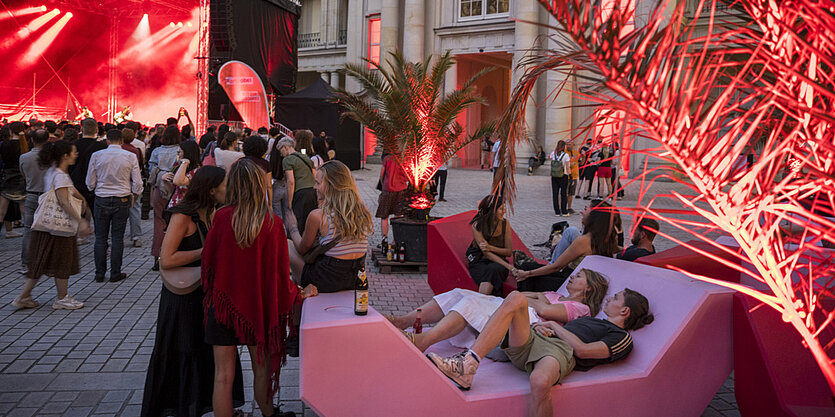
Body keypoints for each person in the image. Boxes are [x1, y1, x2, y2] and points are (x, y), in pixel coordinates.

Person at [427, 288, 654, 417]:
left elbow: (583, 351)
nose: (609, 298)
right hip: (538, 339)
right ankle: (468, 364)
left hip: (559, 352)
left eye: (615, 298)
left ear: (624, 311)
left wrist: (555, 327)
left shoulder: (622, 337)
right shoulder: (592, 320)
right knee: (515, 297)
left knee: (539, 380)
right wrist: (542, 326)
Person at [141, 166, 246, 417]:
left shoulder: (212, 212)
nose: (228, 190)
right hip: (183, 299)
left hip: (203, 295)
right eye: (224, 186)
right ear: (211, 190)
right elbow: (167, 259)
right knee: (186, 352)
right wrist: (207, 251)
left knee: (205, 354)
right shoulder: (183, 215)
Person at [201, 159, 298, 417]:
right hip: (258, 307)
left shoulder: (221, 218)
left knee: (222, 376)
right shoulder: (272, 222)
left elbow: (208, 264)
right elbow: (279, 274)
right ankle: (268, 414)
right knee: (262, 371)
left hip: (223, 306)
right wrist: (296, 293)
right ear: (259, 185)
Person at [389, 269, 608, 352]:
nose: (572, 276)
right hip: (513, 307)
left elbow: (544, 310)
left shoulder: (581, 308)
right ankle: (404, 320)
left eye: (579, 276)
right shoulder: (558, 296)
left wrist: (540, 300)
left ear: (588, 288)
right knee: (460, 293)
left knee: (470, 304)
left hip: (526, 322)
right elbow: (530, 299)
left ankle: (426, 340)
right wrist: (541, 299)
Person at [12, 140, 92, 310]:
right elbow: (63, 200)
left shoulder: (54, 171)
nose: (76, 154)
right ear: (65, 156)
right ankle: (61, 298)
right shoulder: (61, 175)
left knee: (40, 261)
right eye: (74, 152)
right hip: (60, 226)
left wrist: (81, 198)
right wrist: (81, 221)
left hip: (48, 226)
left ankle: (24, 296)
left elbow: (68, 190)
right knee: (62, 261)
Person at [286, 160, 373, 296]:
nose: (314, 187)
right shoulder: (363, 211)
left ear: (332, 186)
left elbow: (302, 249)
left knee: (287, 244)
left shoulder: (318, 216)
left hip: (325, 281)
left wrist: (292, 228)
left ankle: (299, 295)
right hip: (354, 279)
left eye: (318, 183)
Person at [514, 203, 620, 292]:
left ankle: (524, 308)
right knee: (527, 266)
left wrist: (527, 274)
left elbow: (556, 267)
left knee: (528, 277)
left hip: (570, 281)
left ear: (594, 216)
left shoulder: (584, 241)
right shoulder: (609, 239)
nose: (581, 212)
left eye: (585, 209)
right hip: (584, 281)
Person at [87, 129, 143, 283]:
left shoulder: (97, 156)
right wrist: (136, 193)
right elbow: (137, 181)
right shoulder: (130, 156)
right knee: (117, 237)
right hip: (122, 198)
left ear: (108, 141)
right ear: (122, 140)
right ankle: (115, 272)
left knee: (100, 238)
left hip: (101, 197)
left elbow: (90, 183)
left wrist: (95, 187)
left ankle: (99, 273)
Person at [149, 125, 181, 271]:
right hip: (176, 188)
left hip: (159, 188)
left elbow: (150, 170)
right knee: (176, 223)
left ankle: (158, 257)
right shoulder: (180, 150)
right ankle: (173, 255)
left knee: (158, 222)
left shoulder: (157, 151)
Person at [467, 194, 514, 296]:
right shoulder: (478, 225)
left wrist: (490, 247)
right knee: (491, 273)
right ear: (492, 211)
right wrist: (511, 268)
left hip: (499, 262)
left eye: (504, 208)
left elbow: (508, 252)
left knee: (493, 269)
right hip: (480, 262)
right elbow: (487, 254)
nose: (504, 211)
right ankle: (491, 303)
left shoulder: (505, 224)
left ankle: (480, 302)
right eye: (501, 209)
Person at [19, 129, 50, 275]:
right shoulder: (51, 158)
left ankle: (26, 263)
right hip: (47, 196)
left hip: (31, 194)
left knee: (28, 230)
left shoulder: (24, 157)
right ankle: (46, 262)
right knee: (48, 230)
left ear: (31, 140)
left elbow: (23, 175)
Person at [279, 137, 318, 234]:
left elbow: (290, 181)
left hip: (300, 193)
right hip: (312, 191)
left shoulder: (287, 160)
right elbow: (315, 175)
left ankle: (299, 245)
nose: (281, 154)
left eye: (281, 150)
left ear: (285, 147)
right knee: (310, 220)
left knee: (299, 223)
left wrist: (289, 202)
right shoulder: (305, 157)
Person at [69, 118, 107, 218]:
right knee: (98, 218)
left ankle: (82, 230)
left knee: (78, 216)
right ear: (97, 130)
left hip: (77, 185)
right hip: (96, 186)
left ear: (82, 129)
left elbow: (69, 166)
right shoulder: (102, 146)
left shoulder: (74, 145)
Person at [0, 122, 30, 237]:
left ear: (10, 131)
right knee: (24, 208)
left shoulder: (4, 144)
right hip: (20, 177)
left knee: (2, 209)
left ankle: (7, 231)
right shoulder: (24, 145)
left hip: (7, 177)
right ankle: (29, 233)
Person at [121, 128, 145, 248]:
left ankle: (117, 235)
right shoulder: (136, 150)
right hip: (133, 182)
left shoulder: (119, 150)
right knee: (135, 209)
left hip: (121, 183)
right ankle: (136, 236)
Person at [376, 152, 408, 242]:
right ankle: (395, 240)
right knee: (398, 215)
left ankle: (384, 239)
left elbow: (381, 174)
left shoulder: (387, 158)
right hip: (401, 189)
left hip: (388, 190)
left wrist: (383, 185)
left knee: (384, 215)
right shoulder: (404, 159)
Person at [166, 140, 202, 210]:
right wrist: (165, 179)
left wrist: (185, 162)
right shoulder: (180, 167)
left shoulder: (196, 171)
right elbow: (172, 189)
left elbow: (178, 181)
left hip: (185, 209)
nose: (178, 155)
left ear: (187, 153)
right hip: (176, 206)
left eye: (179, 152)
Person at [269, 138, 290, 221]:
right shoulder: (290, 159)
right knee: (288, 214)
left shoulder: (271, 158)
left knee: (277, 216)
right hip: (287, 187)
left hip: (276, 185)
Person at [549, 141, 571, 217]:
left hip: (554, 176)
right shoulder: (566, 155)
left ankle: (557, 211)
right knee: (563, 194)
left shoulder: (553, 153)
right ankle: (564, 211)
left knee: (555, 193)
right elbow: (567, 167)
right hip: (563, 176)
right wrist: (570, 175)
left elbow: (551, 160)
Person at [565, 141, 580, 214]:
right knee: (564, 193)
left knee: (571, 193)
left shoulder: (576, 152)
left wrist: (583, 157)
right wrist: (570, 164)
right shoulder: (564, 153)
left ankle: (569, 208)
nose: (568, 146)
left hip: (574, 176)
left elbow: (581, 162)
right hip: (566, 176)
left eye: (569, 144)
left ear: (573, 145)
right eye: (567, 144)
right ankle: (563, 207)